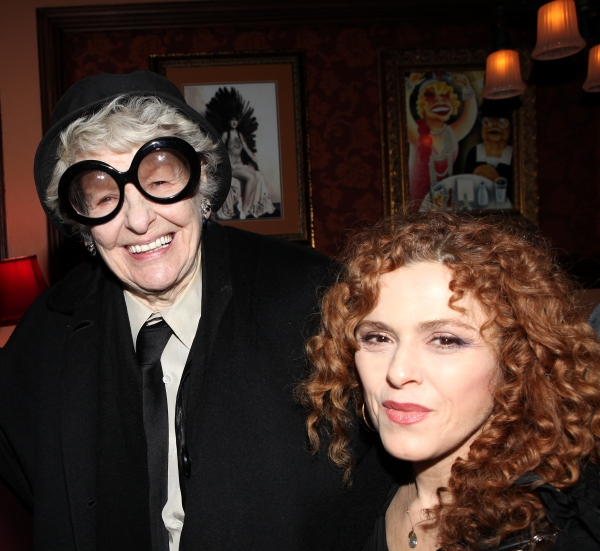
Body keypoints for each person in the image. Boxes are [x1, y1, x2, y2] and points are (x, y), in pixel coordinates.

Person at [0, 71, 393, 551]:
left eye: (160, 180)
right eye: (104, 196)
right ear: (83, 225)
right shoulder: (48, 335)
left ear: (202, 183)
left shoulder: (314, 300)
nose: (139, 220)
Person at [299, 211, 600, 551]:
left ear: (519, 361)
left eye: (446, 340)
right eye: (378, 338)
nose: (398, 372)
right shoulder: (355, 494)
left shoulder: (558, 531)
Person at [404, 73, 478, 207]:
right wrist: (409, 89)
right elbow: (404, 118)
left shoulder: (451, 133)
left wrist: (467, 89)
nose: (439, 100)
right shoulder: (417, 134)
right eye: (430, 95)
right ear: (422, 105)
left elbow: (469, 116)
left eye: (444, 95)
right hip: (418, 210)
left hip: (444, 208)